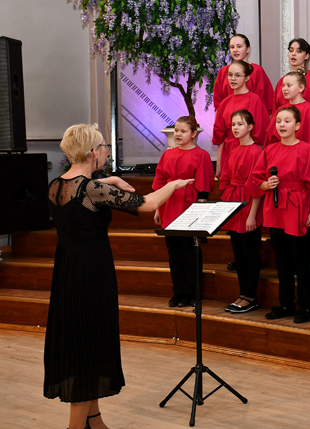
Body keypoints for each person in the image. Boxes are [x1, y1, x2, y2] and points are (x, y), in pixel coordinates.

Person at [45, 124, 194, 429]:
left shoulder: (57, 185)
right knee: (88, 346)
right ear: (93, 152)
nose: (106, 152)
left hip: (68, 272)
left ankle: (94, 420)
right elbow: (148, 203)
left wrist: (111, 179)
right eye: (104, 147)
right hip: (92, 273)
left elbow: (82, 189)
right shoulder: (93, 190)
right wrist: (174, 185)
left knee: (85, 340)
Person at [250, 106, 310, 323]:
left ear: (298, 125)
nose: (281, 125)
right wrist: (266, 184)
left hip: (298, 207)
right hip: (275, 209)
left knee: (302, 261)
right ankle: (286, 304)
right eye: (278, 121)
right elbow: (257, 179)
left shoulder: (307, 149)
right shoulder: (269, 150)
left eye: (287, 121)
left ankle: (305, 306)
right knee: (282, 260)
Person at [153, 116, 214, 307]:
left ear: (194, 133)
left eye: (183, 131)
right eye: (176, 131)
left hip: (189, 206)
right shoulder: (168, 154)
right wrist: (158, 208)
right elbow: (160, 183)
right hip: (169, 204)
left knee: (189, 251)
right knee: (174, 252)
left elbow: (204, 187)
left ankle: (192, 293)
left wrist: (200, 212)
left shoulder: (201, 155)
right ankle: (178, 291)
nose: (178, 134)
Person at [219, 110, 264, 314]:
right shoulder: (233, 149)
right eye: (233, 124)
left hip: (248, 205)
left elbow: (257, 186)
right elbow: (227, 179)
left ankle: (250, 296)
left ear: (250, 126)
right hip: (234, 204)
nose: (235, 128)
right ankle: (242, 294)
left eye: (240, 124)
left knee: (249, 253)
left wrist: (252, 214)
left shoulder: (256, 152)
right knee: (238, 253)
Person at [212, 60, 269, 176]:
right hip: (228, 154)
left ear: (247, 78)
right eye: (230, 75)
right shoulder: (224, 103)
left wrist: (260, 164)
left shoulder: (255, 100)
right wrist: (218, 165)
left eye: (238, 75)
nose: (233, 79)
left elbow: (261, 136)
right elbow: (220, 137)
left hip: (249, 156)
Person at [212, 33, 275, 115]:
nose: (235, 50)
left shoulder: (257, 71)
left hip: (251, 116)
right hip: (228, 117)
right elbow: (218, 103)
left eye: (239, 46)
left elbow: (264, 101)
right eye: (232, 47)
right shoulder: (223, 71)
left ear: (248, 49)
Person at [266, 69, 310, 151]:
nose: (284, 89)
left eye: (289, 85)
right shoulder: (281, 110)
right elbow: (272, 139)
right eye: (283, 85)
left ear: (301, 88)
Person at [275, 38, 310, 112]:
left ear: (306, 55)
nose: (293, 54)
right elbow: (276, 109)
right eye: (291, 50)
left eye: (299, 51)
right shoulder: (282, 81)